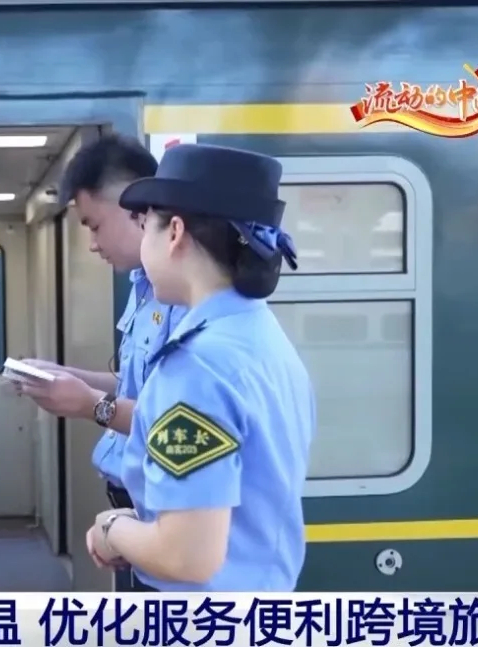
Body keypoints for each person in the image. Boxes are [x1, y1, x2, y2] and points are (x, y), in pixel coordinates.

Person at [80, 143, 315, 591]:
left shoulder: (197, 367)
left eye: (146, 225)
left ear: (174, 233)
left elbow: (186, 556)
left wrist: (112, 529)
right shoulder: (261, 337)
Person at [13, 134, 183, 590]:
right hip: (136, 512)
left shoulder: (186, 299)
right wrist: (67, 377)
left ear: (138, 209)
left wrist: (90, 405)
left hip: (173, 521)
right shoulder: (144, 287)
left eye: (94, 225)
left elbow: (180, 422)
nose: (91, 243)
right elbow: (138, 383)